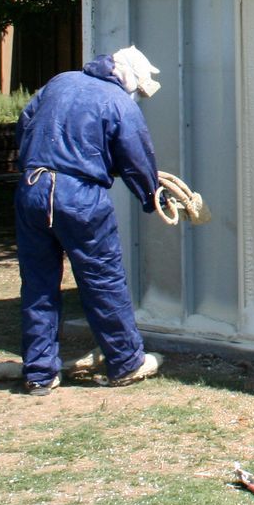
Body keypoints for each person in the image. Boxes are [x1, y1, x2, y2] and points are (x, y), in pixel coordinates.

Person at [12, 45, 166, 396]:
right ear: (129, 78)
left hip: (32, 188)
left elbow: (24, 125)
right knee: (102, 279)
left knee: (37, 282)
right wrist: (151, 196)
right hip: (79, 197)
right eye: (140, 89)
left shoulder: (60, 82)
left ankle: (39, 373)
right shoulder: (118, 103)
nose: (138, 95)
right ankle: (126, 363)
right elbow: (136, 158)